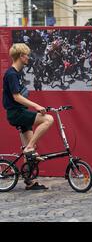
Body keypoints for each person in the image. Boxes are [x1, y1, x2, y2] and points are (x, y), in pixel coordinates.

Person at [2, 43, 54, 190]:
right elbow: (16, 97)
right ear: (20, 56)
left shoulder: (17, 73)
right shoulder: (11, 74)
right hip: (16, 113)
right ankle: (29, 147)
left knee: (31, 152)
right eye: (27, 55)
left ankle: (29, 182)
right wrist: (37, 106)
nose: (29, 58)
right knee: (48, 119)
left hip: (19, 112)